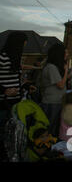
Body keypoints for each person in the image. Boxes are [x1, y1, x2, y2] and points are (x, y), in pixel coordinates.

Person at [0, 31, 28, 161]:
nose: (24, 47)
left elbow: (16, 79)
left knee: (13, 133)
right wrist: (4, 90)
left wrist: (25, 87)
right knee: (3, 131)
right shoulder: (3, 57)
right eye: (23, 44)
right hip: (3, 102)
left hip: (15, 102)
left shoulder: (15, 58)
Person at [40, 43, 69, 137]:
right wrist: (66, 71)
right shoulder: (51, 67)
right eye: (65, 53)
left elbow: (61, 81)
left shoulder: (53, 67)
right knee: (50, 128)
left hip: (57, 102)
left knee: (55, 127)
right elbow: (60, 85)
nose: (67, 55)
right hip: (52, 103)